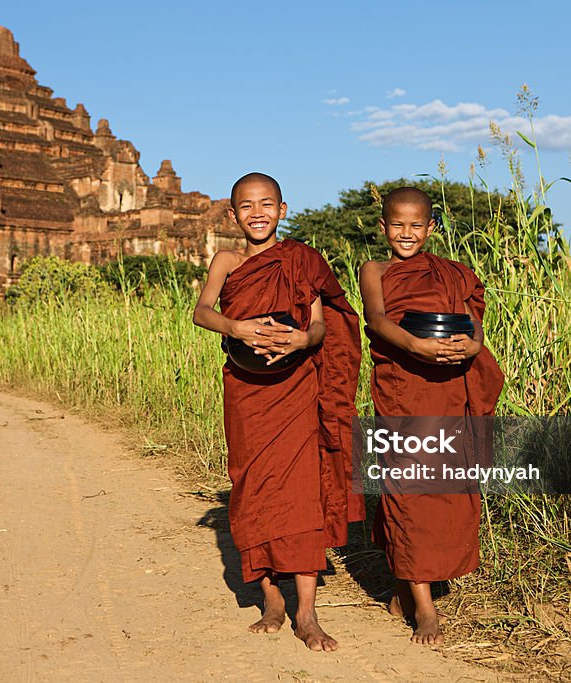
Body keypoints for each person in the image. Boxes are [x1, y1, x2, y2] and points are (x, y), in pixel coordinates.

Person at [193, 172, 363, 652]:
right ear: (232, 215)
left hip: (296, 385)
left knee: (300, 490)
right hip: (247, 388)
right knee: (253, 485)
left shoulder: (302, 259)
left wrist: (302, 339)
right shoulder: (227, 260)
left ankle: (307, 613)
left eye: (266, 204)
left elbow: (318, 324)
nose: (257, 213)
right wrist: (237, 328)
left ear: (283, 209)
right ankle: (272, 599)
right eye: (246, 206)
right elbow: (202, 312)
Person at [359, 186, 504, 645]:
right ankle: (425, 608)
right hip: (404, 388)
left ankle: (406, 587)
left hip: (447, 387)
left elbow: (471, 322)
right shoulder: (375, 270)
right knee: (407, 489)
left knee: (443, 490)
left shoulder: (453, 273)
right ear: (383, 227)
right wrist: (417, 345)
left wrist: (474, 347)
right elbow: (378, 321)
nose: (406, 233)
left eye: (415, 225)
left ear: (431, 228)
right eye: (397, 225)